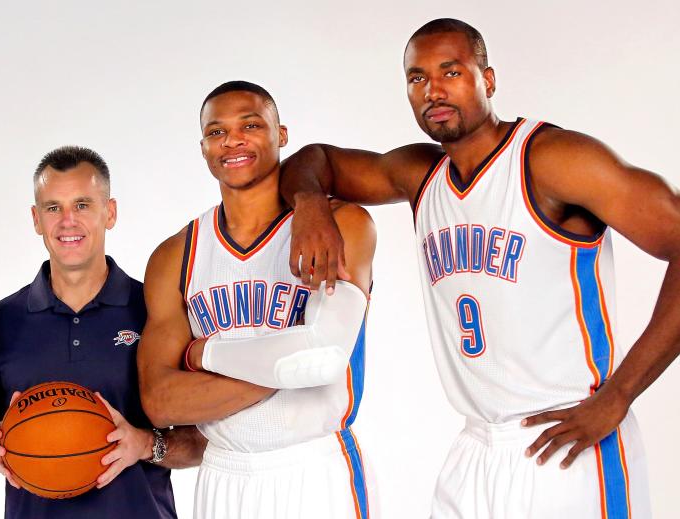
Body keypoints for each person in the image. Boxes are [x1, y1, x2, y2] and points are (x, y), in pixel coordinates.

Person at [280, 17, 680, 518]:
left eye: (451, 72)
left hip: (569, 441)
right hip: (475, 448)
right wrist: (309, 203)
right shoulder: (419, 173)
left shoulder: (552, 160)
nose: (433, 90)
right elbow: (316, 159)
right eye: (417, 78)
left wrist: (619, 395)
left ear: (487, 79)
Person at [138, 81, 377, 519]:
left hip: (313, 469)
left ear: (281, 134)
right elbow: (161, 400)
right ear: (204, 147)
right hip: (222, 476)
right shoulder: (176, 255)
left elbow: (322, 359)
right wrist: (288, 367)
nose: (232, 141)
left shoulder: (341, 224)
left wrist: (203, 353)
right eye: (216, 132)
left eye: (250, 125)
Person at [0, 146, 206, 519]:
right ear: (35, 219)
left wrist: (145, 445)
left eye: (82, 205)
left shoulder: (158, 312)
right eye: (52, 207)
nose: (67, 222)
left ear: (109, 213)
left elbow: (206, 442)